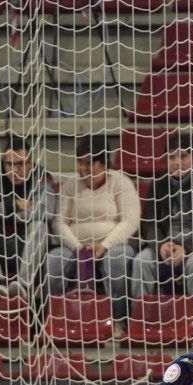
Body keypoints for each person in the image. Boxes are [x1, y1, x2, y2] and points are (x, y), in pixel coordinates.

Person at [48, 135, 145, 324]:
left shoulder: (121, 182)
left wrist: (104, 245)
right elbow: (58, 223)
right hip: (75, 246)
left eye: (89, 163)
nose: (82, 168)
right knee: (53, 261)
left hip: (114, 245)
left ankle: (119, 320)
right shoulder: (70, 185)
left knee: (117, 262)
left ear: (104, 165)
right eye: (80, 163)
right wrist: (78, 247)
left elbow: (131, 220)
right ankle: (57, 319)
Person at [145, 136, 193, 323]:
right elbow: (148, 224)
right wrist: (160, 245)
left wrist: (186, 248)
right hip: (166, 245)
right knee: (141, 261)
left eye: (183, 156)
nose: (177, 162)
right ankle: (144, 321)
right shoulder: (159, 183)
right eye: (171, 157)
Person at [0, 137, 55, 296]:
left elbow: (46, 212)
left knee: (39, 225)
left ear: (31, 163)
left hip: (26, 245)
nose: (14, 170)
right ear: (3, 162)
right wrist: (15, 205)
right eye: (9, 164)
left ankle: (23, 284)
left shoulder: (41, 176)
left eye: (20, 164)